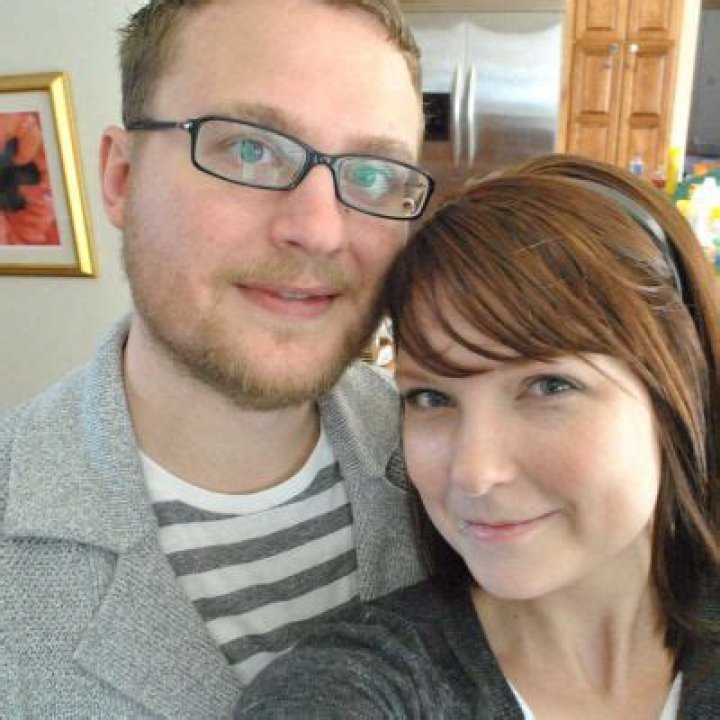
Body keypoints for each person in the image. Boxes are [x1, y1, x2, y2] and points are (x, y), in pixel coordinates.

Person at [0, 1, 435, 717]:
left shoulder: (457, 470)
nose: (320, 231)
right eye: (250, 150)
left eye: (373, 176)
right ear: (121, 177)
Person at [236, 154, 720, 719]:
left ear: (679, 389)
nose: (474, 473)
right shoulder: (358, 684)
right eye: (431, 398)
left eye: (549, 386)